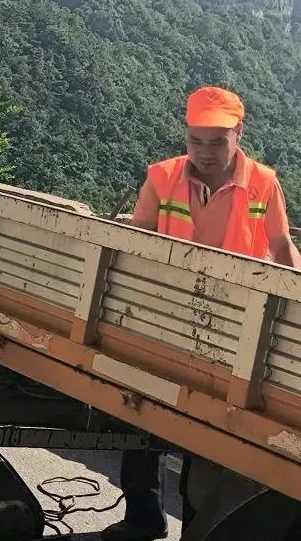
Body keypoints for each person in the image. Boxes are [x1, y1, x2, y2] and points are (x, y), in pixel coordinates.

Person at [102, 86, 301, 541]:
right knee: (141, 410)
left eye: (217, 141)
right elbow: (140, 239)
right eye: (196, 141)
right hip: (165, 311)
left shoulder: (263, 183)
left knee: (209, 431)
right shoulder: (163, 177)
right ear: (185, 135)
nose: (205, 153)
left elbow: (281, 247)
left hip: (235, 324)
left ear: (239, 132)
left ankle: (196, 527)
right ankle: (143, 516)